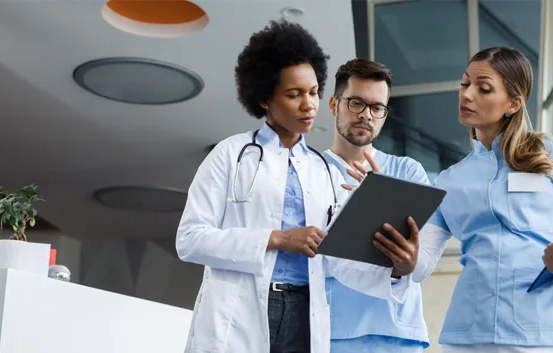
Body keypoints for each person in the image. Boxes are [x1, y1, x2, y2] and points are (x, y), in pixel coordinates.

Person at [175, 20, 415, 353]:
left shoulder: (324, 171)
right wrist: (277, 238)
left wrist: (396, 271)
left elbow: (336, 260)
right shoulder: (231, 155)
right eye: (294, 94)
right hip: (241, 311)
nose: (309, 104)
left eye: (314, 92)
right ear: (264, 99)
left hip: (305, 314)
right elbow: (190, 240)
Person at [379, 46, 553, 353]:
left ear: (513, 103)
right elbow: (421, 265)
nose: (467, 95)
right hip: (469, 336)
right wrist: (403, 261)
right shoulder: (450, 179)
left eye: (484, 88)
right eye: (465, 84)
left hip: (548, 334)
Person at [321, 58, 430, 353]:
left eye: (377, 107)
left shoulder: (408, 172)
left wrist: (382, 198)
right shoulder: (308, 171)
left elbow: (422, 262)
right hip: (332, 332)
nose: (366, 115)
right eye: (356, 103)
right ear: (334, 105)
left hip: (397, 333)